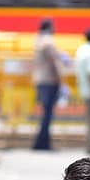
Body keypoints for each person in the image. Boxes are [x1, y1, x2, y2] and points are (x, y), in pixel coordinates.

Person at [32, 18, 64, 151]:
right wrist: (59, 78)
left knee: (45, 112)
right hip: (50, 80)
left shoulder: (38, 40)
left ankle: (41, 141)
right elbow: (53, 62)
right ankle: (43, 142)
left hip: (40, 79)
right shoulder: (48, 41)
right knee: (48, 114)